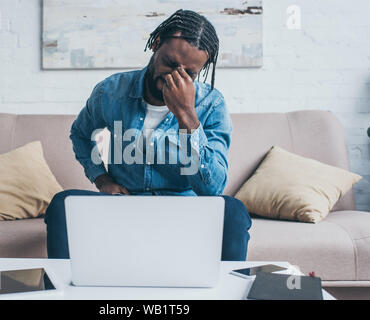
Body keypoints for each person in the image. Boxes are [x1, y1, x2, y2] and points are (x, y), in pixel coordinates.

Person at [45, 9, 252, 261]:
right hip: (125, 205)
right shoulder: (110, 91)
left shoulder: (211, 104)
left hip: (182, 210)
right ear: (156, 44)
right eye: (171, 63)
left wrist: (187, 116)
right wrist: (102, 180)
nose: (175, 76)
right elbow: (80, 134)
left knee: (234, 212)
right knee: (61, 205)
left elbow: (212, 189)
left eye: (189, 73)